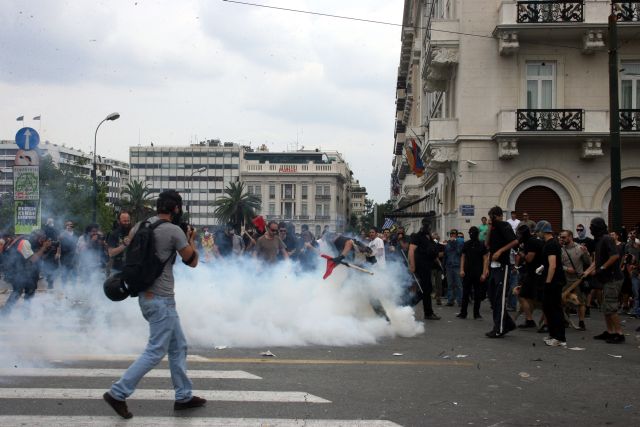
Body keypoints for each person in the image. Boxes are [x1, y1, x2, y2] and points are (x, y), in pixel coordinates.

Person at [104, 189, 205, 419]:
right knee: (156, 350)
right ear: (176, 208)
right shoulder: (173, 231)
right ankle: (118, 392)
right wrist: (190, 239)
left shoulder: (141, 225)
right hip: (161, 301)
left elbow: (129, 247)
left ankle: (184, 396)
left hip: (145, 296)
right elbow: (193, 261)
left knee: (178, 346)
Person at [588, 217, 625, 344]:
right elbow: (596, 261)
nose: (590, 229)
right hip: (606, 279)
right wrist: (588, 271)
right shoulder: (599, 240)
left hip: (613, 278)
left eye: (592, 226)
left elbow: (615, 256)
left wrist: (602, 268)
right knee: (606, 306)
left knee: (611, 306)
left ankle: (619, 333)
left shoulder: (607, 239)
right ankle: (610, 331)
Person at [485, 206, 519, 338]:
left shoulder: (504, 225)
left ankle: (499, 329)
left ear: (496, 215)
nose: (490, 219)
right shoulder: (493, 228)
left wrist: (500, 251)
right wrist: (489, 227)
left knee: (499, 299)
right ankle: (508, 323)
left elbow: (515, 241)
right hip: (493, 267)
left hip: (502, 266)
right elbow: (487, 244)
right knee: (492, 297)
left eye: (491, 216)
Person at [1, 230, 51, 314]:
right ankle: (7, 313)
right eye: (42, 238)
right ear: (37, 237)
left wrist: (45, 249)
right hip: (21, 272)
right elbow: (32, 259)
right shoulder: (24, 242)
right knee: (20, 292)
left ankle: (21, 313)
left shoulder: (19, 241)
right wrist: (44, 248)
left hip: (20, 272)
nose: (43, 240)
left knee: (24, 291)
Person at [535, 220, 567, 347]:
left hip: (553, 282)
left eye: (538, 231)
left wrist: (548, 283)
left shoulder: (551, 245)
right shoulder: (550, 244)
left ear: (543, 231)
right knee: (548, 308)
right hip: (553, 280)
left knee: (554, 309)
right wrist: (542, 268)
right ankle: (553, 335)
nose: (538, 234)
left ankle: (559, 337)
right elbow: (549, 264)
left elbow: (553, 266)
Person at [559, 229, 592, 331]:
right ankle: (565, 320)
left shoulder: (579, 248)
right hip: (565, 279)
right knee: (563, 300)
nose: (561, 239)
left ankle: (581, 322)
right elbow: (558, 264)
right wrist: (566, 269)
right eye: (561, 237)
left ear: (570, 237)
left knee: (580, 302)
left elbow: (588, 263)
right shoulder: (560, 249)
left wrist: (586, 253)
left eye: (564, 237)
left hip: (578, 280)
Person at [408, 218, 441, 320]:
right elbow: (411, 250)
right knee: (424, 290)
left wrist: (438, 261)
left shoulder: (429, 237)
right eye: (427, 225)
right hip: (421, 266)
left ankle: (427, 312)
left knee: (426, 289)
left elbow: (431, 250)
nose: (428, 227)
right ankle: (408, 306)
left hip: (427, 266)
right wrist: (412, 266)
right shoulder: (418, 236)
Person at [514, 224, 544, 329]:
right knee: (528, 297)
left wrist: (521, 253)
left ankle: (531, 320)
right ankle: (529, 320)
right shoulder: (530, 241)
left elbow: (529, 259)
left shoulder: (531, 242)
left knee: (523, 296)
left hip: (535, 274)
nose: (518, 236)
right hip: (533, 273)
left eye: (519, 234)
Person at [458, 226, 489, 319]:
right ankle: (463, 313)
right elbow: (463, 257)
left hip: (478, 273)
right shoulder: (466, 244)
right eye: (470, 233)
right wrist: (462, 269)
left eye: (473, 233)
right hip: (467, 272)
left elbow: (485, 259)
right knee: (465, 293)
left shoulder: (481, 245)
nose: (472, 235)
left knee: (477, 294)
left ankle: (476, 313)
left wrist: (484, 273)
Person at [107, 211, 132, 275]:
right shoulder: (114, 234)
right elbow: (111, 253)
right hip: (116, 269)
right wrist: (124, 244)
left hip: (131, 267)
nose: (127, 223)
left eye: (128, 220)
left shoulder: (133, 232)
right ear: (119, 221)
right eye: (124, 221)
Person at [444, 229, 463, 306]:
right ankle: (450, 300)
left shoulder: (460, 243)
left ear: (456, 235)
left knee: (458, 284)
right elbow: (446, 254)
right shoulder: (447, 244)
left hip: (457, 265)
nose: (452, 235)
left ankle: (460, 301)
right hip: (449, 266)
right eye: (451, 234)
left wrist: (453, 243)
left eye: (454, 234)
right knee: (450, 284)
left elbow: (459, 252)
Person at [59, 221, 78, 285]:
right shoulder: (63, 234)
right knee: (64, 273)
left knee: (74, 272)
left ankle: (74, 286)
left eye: (71, 225)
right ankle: (64, 287)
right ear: (66, 226)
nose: (69, 226)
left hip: (73, 256)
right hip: (64, 256)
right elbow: (59, 243)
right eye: (68, 225)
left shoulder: (75, 234)